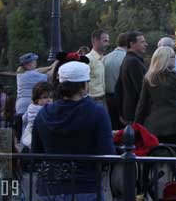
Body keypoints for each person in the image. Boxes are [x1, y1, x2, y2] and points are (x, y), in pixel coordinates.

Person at [32, 61, 115, 200]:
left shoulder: (43, 114)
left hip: (49, 188)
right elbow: (108, 154)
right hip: (86, 187)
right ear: (83, 87)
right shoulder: (97, 112)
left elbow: (36, 152)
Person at [115, 31, 148, 125]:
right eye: (142, 42)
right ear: (132, 44)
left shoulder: (129, 59)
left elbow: (118, 88)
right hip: (135, 113)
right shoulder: (133, 62)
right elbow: (142, 90)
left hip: (130, 112)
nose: (146, 44)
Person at [15, 53, 48, 134]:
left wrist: (50, 67)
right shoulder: (34, 75)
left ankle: (23, 144)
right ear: (29, 64)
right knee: (30, 131)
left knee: (24, 131)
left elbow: (37, 70)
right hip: (29, 105)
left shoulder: (20, 74)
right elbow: (47, 76)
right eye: (34, 61)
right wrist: (54, 66)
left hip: (20, 106)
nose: (36, 63)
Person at [103, 33, 128, 130]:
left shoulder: (105, 58)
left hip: (108, 98)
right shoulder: (128, 58)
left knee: (112, 127)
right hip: (123, 98)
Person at [20, 81, 54, 151]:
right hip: (38, 140)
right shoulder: (43, 111)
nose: (49, 100)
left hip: (28, 139)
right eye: (45, 97)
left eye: (51, 97)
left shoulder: (30, 107)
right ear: (36, 99)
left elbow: (24, 118)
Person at [86, 30, 110, 108]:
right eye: (105, 41)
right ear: (95, 41)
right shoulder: (88, 59)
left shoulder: (103, 59)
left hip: (103, 100)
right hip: (91, 102)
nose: (107, 44)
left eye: (108, 41)